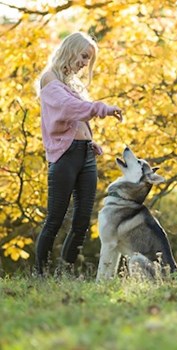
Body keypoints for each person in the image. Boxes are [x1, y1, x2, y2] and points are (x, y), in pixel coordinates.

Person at [35, 32, 122, 276]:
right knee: (55, 219)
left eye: (88, 59)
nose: (85, 63)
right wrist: (101, 108)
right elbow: (68, 108)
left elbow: (77, 118)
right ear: (71, 49)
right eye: (84, 56)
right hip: (65, 157)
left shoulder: (73, 84)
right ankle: (40, 274)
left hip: (84, 154)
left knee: (82, 221)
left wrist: (89, 141)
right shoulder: (49, 78)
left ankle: (66, 270)